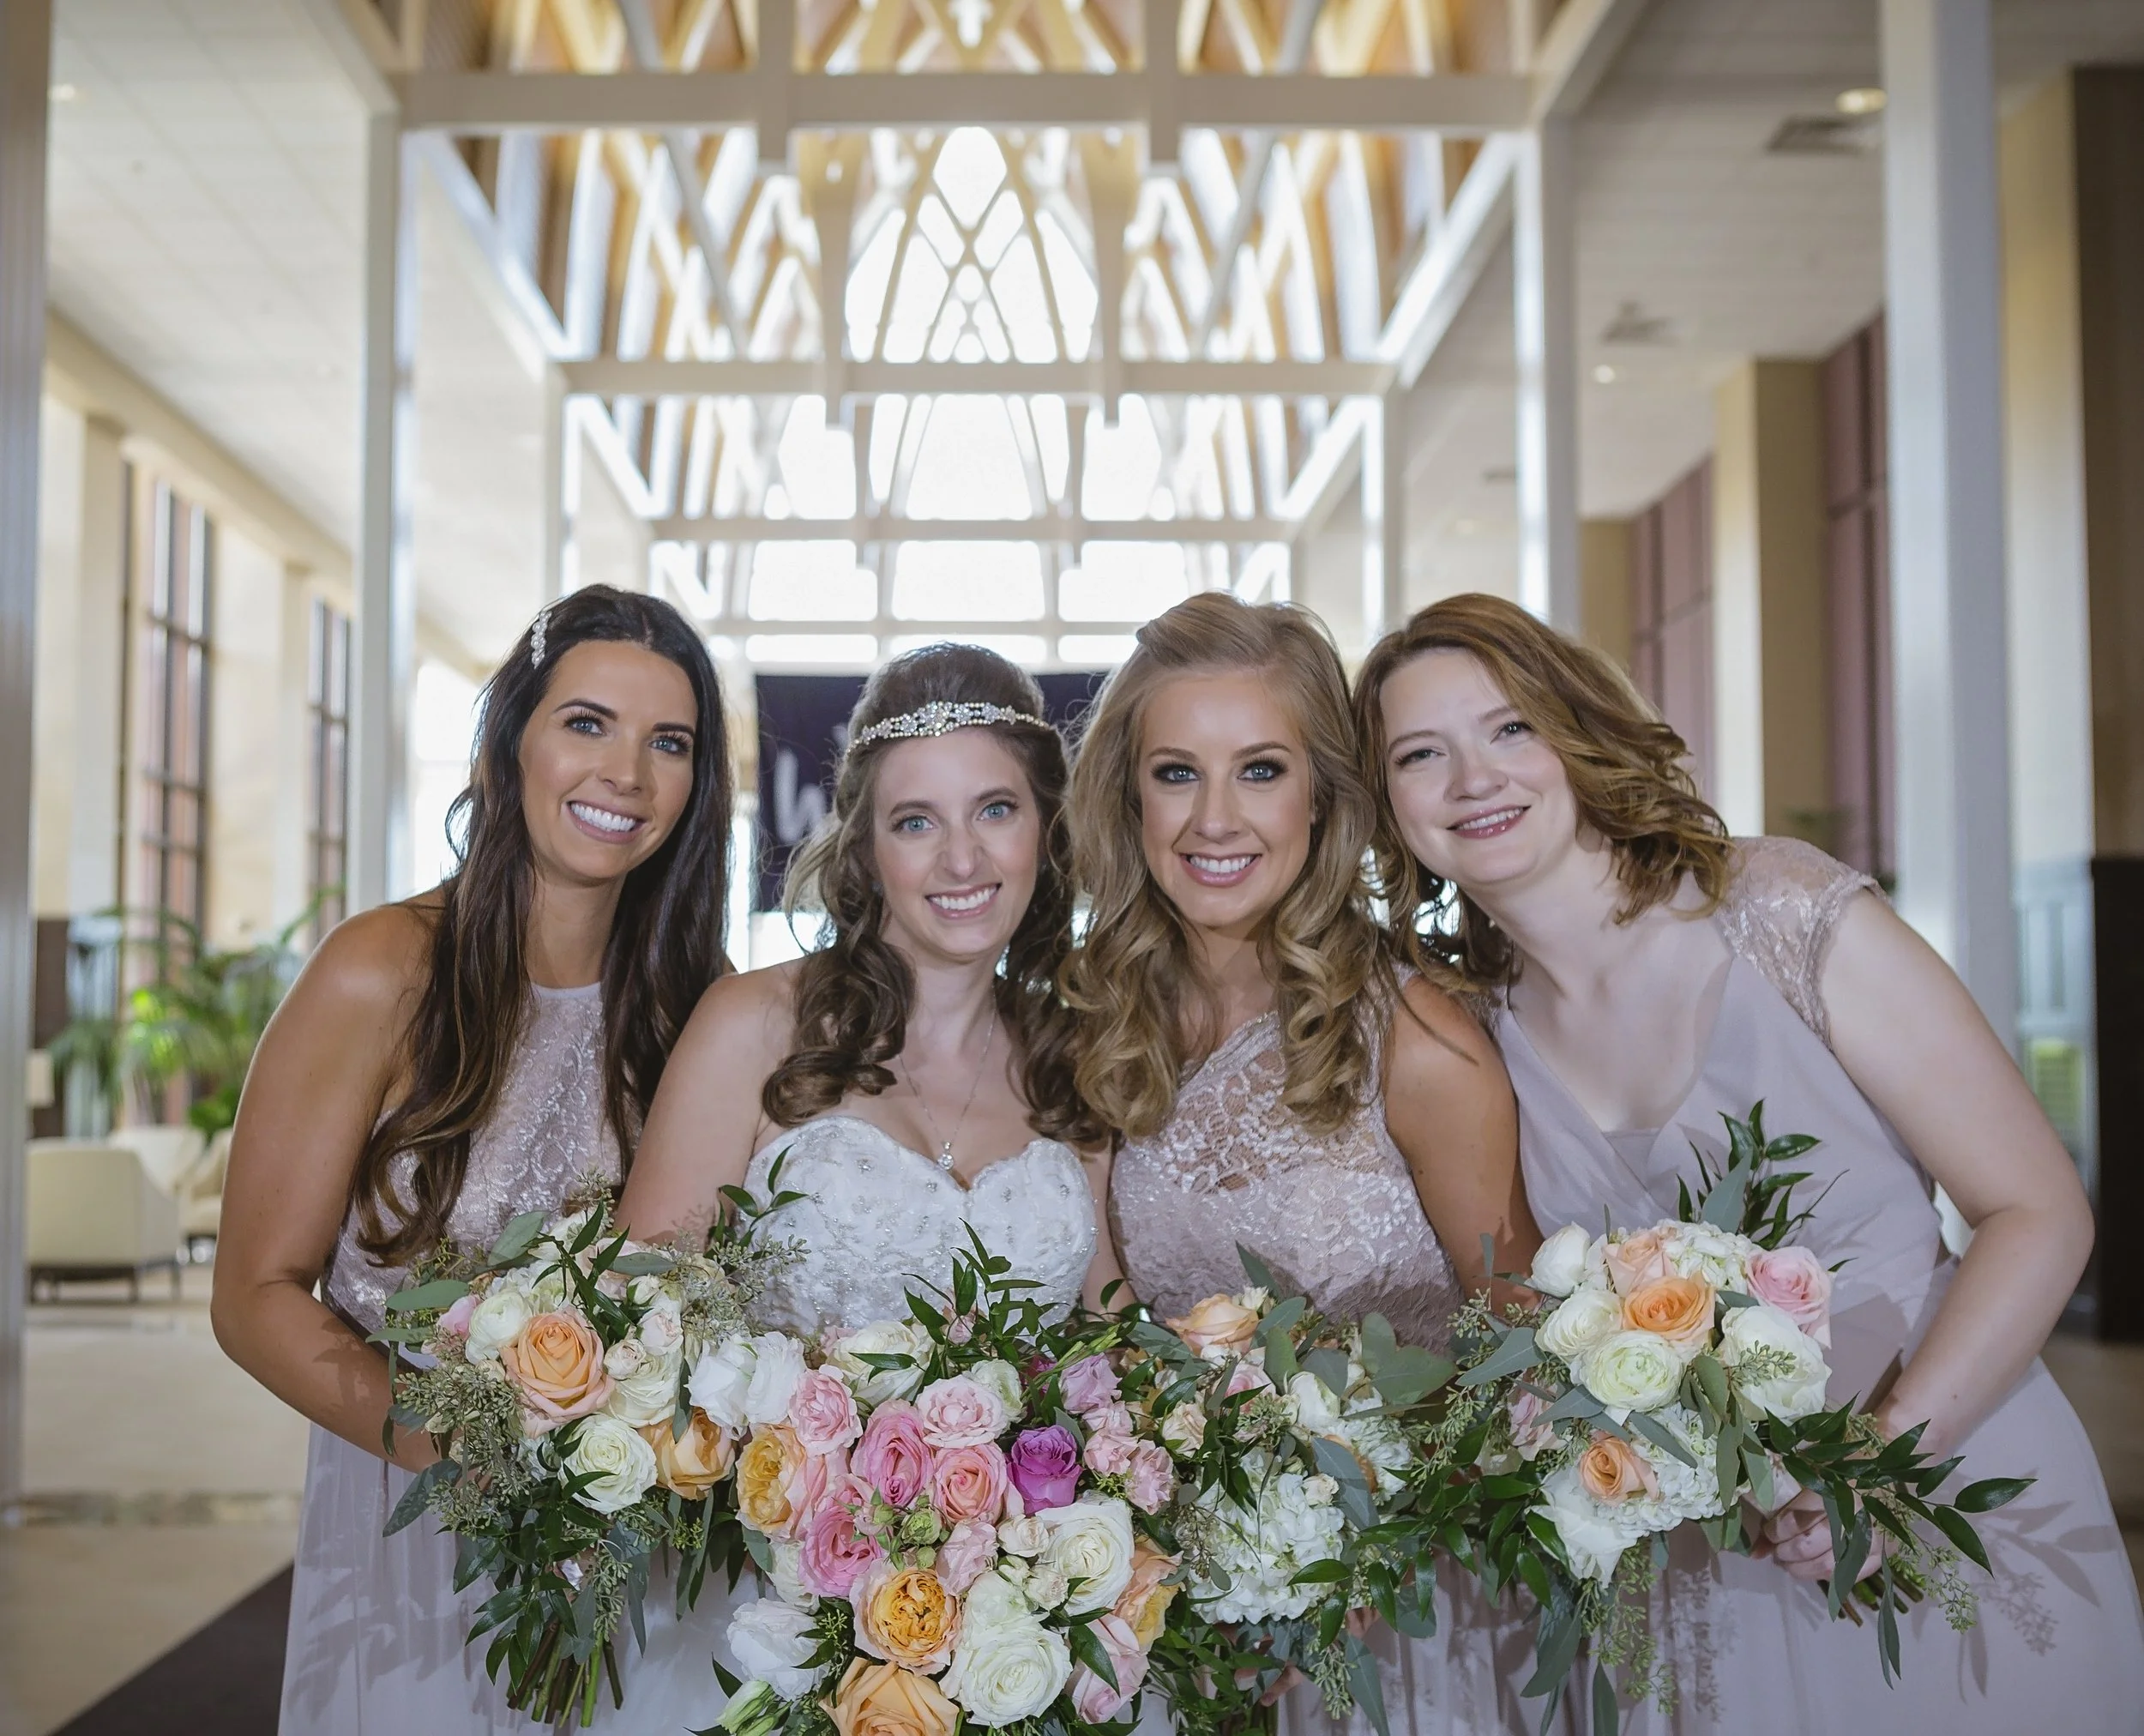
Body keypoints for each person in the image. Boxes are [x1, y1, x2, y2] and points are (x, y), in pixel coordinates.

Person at [1355, 591, 2144, 1733]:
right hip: (1707, 1578)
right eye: (1422, 754)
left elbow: (2039, 1209)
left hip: (1943, 1477)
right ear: (1389, 807)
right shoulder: (1472, 1038)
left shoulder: (1774, 910)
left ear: (1577, 731)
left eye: (1510, 727)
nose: (1475, 779)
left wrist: (1873, 1461)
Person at [212, 586, 735, 1733]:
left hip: (634, 1563)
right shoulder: (380, 970)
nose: (628, 776)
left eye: (671, 743)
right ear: (510, 746)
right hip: (411, 1534)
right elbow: (253, 1295)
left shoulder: (700, 1010)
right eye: (587, 724)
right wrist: (469, 1455)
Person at [1066, 592, 1546, 1736]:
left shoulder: (1417, 1041)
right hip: (1182, 1632)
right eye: (1177, 773)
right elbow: (1099, 1338)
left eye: (1262, 771)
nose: (1214, 820)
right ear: (1129, 797)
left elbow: (1527, 1361)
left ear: (1325, 793)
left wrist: (1336, 1550)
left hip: (1397, 1634)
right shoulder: (1096, 1027)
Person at [619, 638, 1116, 1358]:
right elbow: (637, 1319)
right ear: (867, 852)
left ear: (1044, 831)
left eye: (996, 810)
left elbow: (1105, 1324)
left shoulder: (1074, 1054)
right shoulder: (749, 1025)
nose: (962, 858)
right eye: (917, 821)